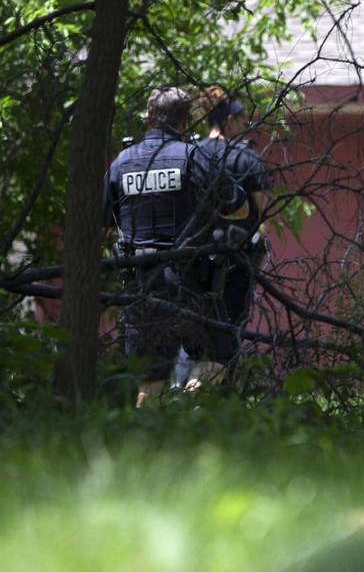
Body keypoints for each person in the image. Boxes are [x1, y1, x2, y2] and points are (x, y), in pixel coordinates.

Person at [104, 86, 249, 406]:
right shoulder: (196, 156)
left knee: (149, 381)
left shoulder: (121, 163)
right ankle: (186, 407)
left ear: (147, 119)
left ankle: (148, 439)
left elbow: (104, 225)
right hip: (193, 282)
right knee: (217, 358)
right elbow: (239, 206)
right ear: (186, 121)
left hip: (140, 286)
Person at [168, 86, 273, 387]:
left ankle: (178, 392)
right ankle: (200, 397)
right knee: (227, 333)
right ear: (228, 120)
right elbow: (263, 209)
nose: (244, 127)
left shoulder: (191, 154)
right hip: (236, 259)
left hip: (192, 258)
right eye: (241, 121)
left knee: (193, 333)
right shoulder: (246, 158)